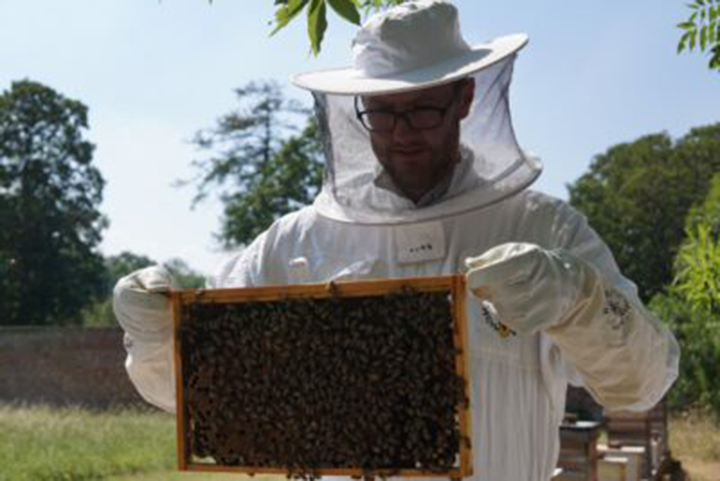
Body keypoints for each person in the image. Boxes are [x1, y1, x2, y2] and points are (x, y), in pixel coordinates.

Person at [114, 2, 679, 480]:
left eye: (422, 109)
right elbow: (193, 394)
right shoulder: (295, 243)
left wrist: (578, 299)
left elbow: (643, 382)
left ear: (464, 99)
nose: (402, 133)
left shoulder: (544, 228)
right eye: (382, 114)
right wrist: (157, 337)